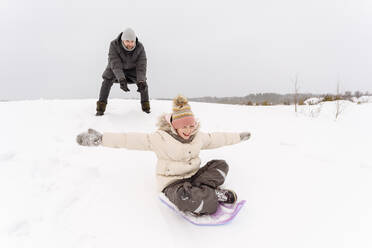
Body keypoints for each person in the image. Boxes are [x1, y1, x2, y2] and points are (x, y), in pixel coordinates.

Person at [77, 95, 251, 215]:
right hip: (172, 183)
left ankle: (199, 187)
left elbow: (217, 138)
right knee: (185, 199)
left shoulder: (198, 136)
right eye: (184, 127)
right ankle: (210, 196)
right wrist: (101, 139)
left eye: (191, 126)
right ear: (175, 126)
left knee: (221, 165)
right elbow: (129, 139)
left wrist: (238, 137)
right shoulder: (160, 138)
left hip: (194, 175)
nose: (188, 130)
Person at [96, 28, 150, 116]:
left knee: (143, 84)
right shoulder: (114, 45)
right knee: (106, 81)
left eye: (132, 41)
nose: (130, 44)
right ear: (122, 40)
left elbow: (141, 66)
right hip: (115, 69)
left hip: (132, 70)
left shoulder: (140, 47)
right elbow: (115, 63)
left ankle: (146, 109)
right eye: (127, 41)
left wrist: (141, 81)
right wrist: (121, 79)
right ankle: (100, 109)